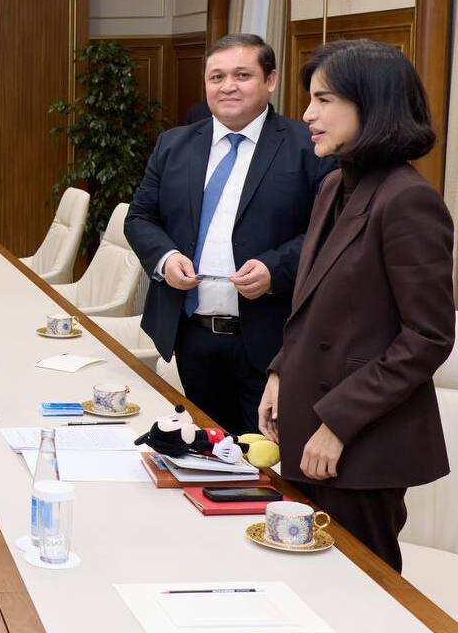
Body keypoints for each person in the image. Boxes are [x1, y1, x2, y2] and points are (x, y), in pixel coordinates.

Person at [258, 39, 454, 572]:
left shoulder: (408, 199)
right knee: (306, 583)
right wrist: (280, 372)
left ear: (372, 106)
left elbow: (428, 338)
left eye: (323, 100)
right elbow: (320, 306)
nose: (307, 114)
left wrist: (339, 424)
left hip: (362, 445)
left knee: (359, 594)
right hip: (310, 426)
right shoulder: (333, 187)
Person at [125, 33, 334, 435]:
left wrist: (275, 269)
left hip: (273, 342)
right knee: (206, 452)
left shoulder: (308, 147)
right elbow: (139, 218)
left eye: (242, 75)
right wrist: (166, 259)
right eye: (216, 77)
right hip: (193, 337)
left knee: (265, 459)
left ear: (270, 80)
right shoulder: (174, 144)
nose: (227, 86)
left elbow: (327, 233)